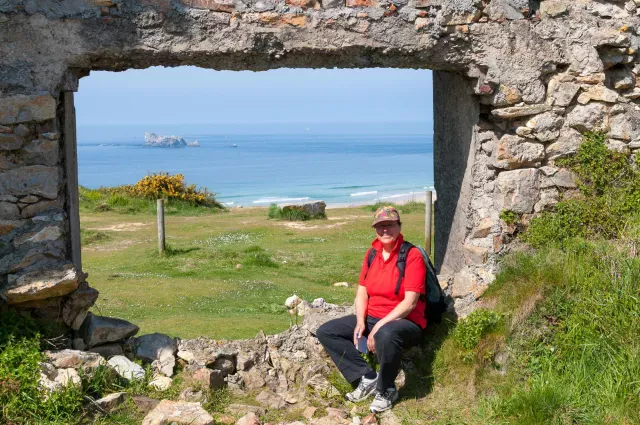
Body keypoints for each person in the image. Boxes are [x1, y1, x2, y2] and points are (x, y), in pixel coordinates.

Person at [316, 206, 426, 413]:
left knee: (386, 334)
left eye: (390, 225)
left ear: (399, 226)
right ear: (375, 229)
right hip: (373, 317)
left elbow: (410, 302)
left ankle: (386, 389)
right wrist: (360, 321)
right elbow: (362, 292)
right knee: (327, 331)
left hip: (405, 322)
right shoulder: (372, 254)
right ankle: (367, 377)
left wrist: (377, 328)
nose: (385, 230)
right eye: (380, 226)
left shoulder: (412, 256)